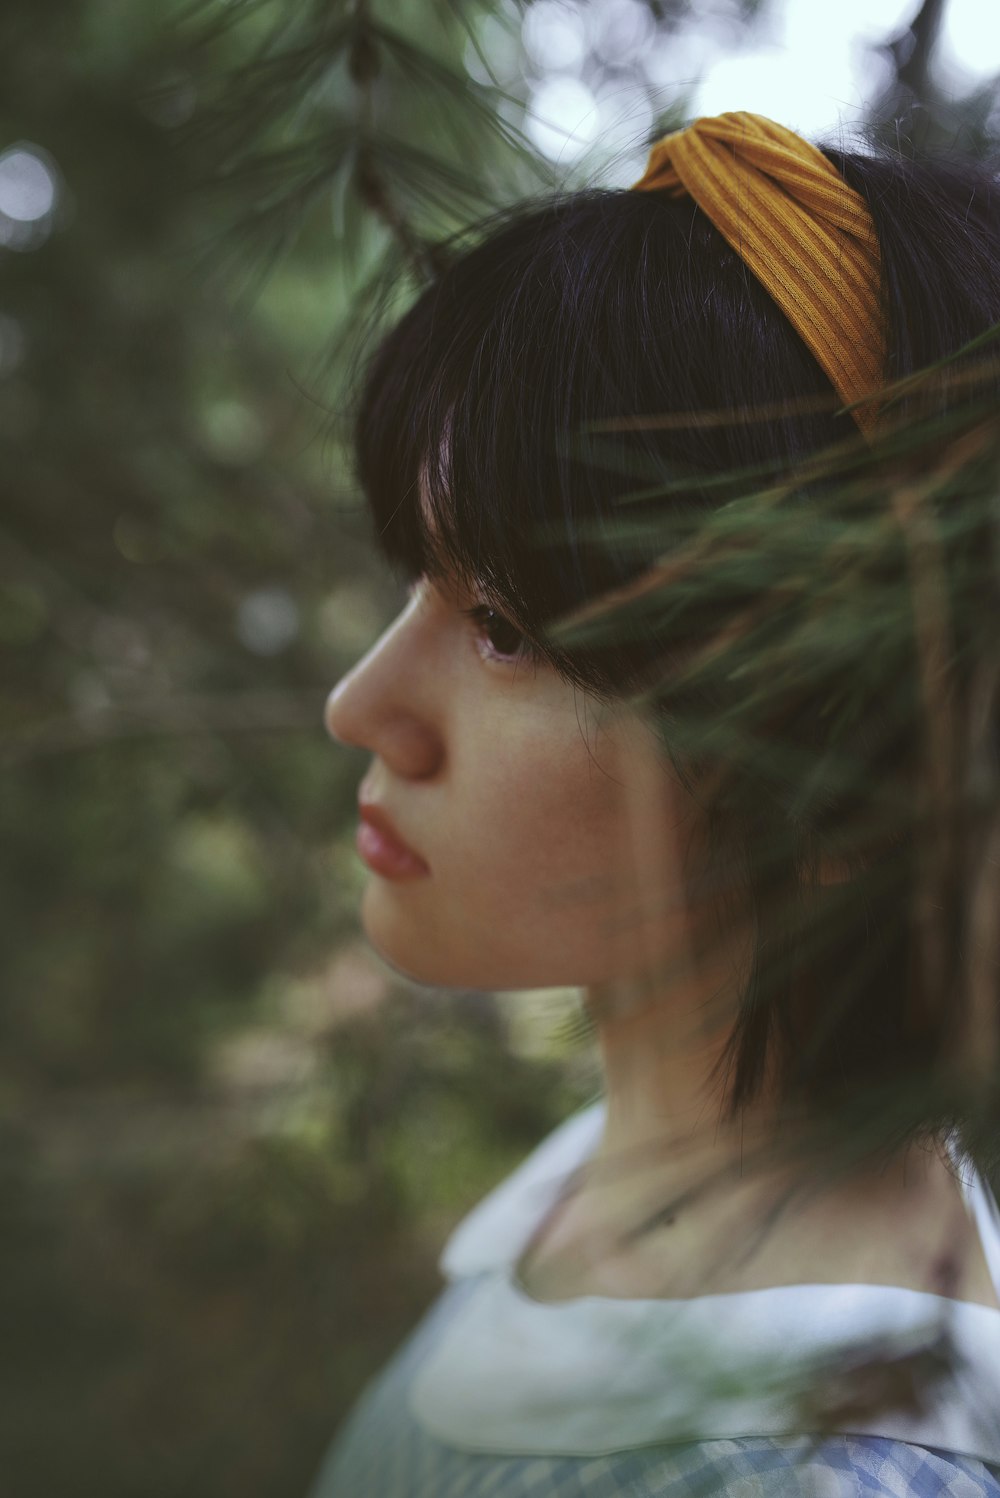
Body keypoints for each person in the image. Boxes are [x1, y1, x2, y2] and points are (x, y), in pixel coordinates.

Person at [311, 112, 1000, 1495]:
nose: (361, 702)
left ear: (856, 762)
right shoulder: (615, 1174)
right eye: (417, 585)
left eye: (503, 623)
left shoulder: (812, 1470)